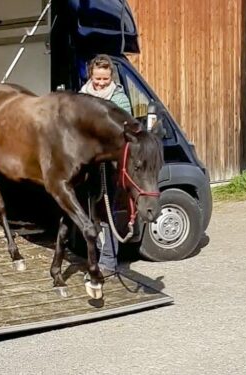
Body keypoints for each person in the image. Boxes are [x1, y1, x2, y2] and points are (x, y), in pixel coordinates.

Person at [80, 54, 133, 277]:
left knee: (108, 212)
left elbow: (124, 130)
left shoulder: (119, 100)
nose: (100, 83)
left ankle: (109, 262)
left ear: (111, 77)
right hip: (87, 164)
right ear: (91, 75)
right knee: (88, 213)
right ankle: (94, 255)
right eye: (97, 78)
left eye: (104, 79)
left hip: (109, 166)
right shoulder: (82, 96)